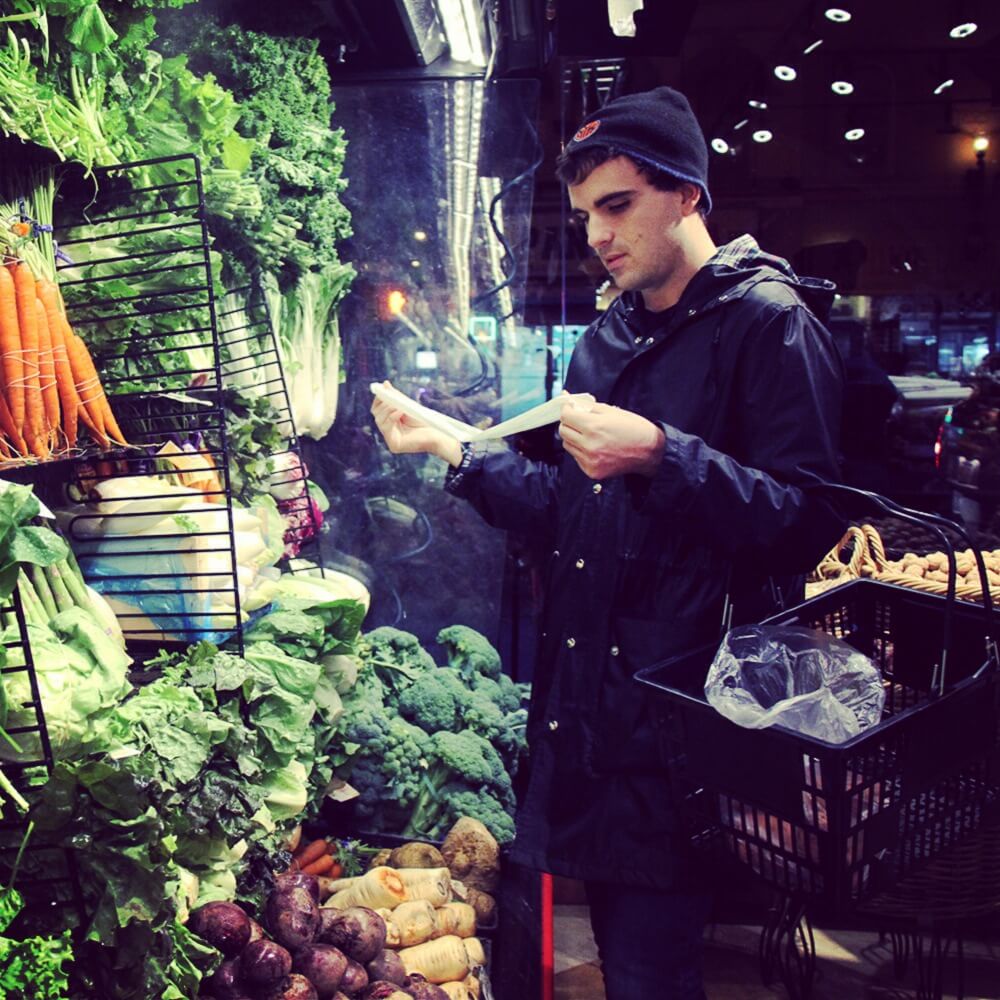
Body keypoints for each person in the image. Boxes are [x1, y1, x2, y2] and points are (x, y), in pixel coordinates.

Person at [372, 85, 845, 999]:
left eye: (618, 206)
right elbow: (564, 511)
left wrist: (666, 456)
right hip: (590, 707)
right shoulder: (606, 339)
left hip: (685, 723)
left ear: (688, 195)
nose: (597, 234)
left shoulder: (769, 323)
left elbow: (813, 525)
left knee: (651, 968)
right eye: (586, 213)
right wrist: (452, 446)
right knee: (629, 960)